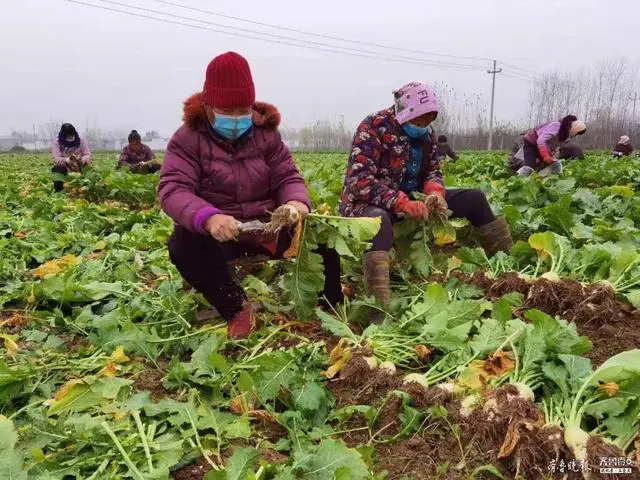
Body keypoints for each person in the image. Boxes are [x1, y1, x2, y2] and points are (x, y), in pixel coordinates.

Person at [158, 51, 342, 338]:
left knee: (324, 236)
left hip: (268, 228)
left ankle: (329, 307)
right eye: (226, 112)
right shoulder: (187, 139)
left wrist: (295, 202)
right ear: (208, 106)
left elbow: (288, 177)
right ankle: (236, 308)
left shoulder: (266, 135)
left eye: (242, 111)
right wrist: (209, 218)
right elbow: (173, 189)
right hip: (223, 234)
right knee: (183, 245)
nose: (236, 119)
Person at [339, 81, 513, 308]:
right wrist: (400, 202)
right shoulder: (374, 126)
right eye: (420, 119)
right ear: (404, 111)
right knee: (379, 221)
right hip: (366, 203)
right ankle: (378, 307)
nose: (424, 125)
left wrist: (434, 192)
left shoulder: (428, 135)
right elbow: (358, 180)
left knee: (475, 198)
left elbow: (433, 170)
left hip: (415, 200)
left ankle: (508, 266)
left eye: (430, 119)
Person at [515, 115, 586, 177]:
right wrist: (545, 155)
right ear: (573, 128)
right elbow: (541, 140)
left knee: (552, 165)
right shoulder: (556, 126)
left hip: (539, 146)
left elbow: (553, 146)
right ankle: (518, 181)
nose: (576, 135)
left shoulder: (564, 134)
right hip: (531, 142)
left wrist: (550, 156)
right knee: (529, 167)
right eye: (577, 133)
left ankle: (542, 179)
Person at [51, 123, 91, 192]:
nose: (71, 137)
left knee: (89, 169)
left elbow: (87, 154)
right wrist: (67, 160)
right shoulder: (57, 143)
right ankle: (59, 192)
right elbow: (56, 158)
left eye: (72, 135)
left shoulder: (81, 141)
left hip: (79, 167)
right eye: (69, 136)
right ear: (64, 136)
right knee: (56, 169)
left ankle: (86, 189)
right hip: (66, 168)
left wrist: (82, 159)